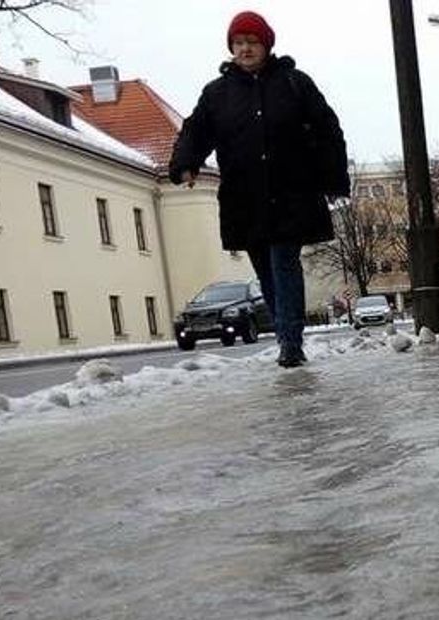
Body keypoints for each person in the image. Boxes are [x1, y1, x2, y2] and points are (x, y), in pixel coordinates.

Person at [169, 10, 349, 368]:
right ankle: (285, 334)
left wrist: (332, 180)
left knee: (284, 262)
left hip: (291, 191)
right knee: (265, 269)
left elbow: (328, 130)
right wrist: (185, 164)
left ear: (266, 45)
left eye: (252, 42)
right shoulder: (217, 94)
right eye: (239, 43)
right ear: (231, 48)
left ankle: (291, 341)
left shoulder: (295, 83)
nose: (245, 49)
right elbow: (195, 130)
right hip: (244, 197)